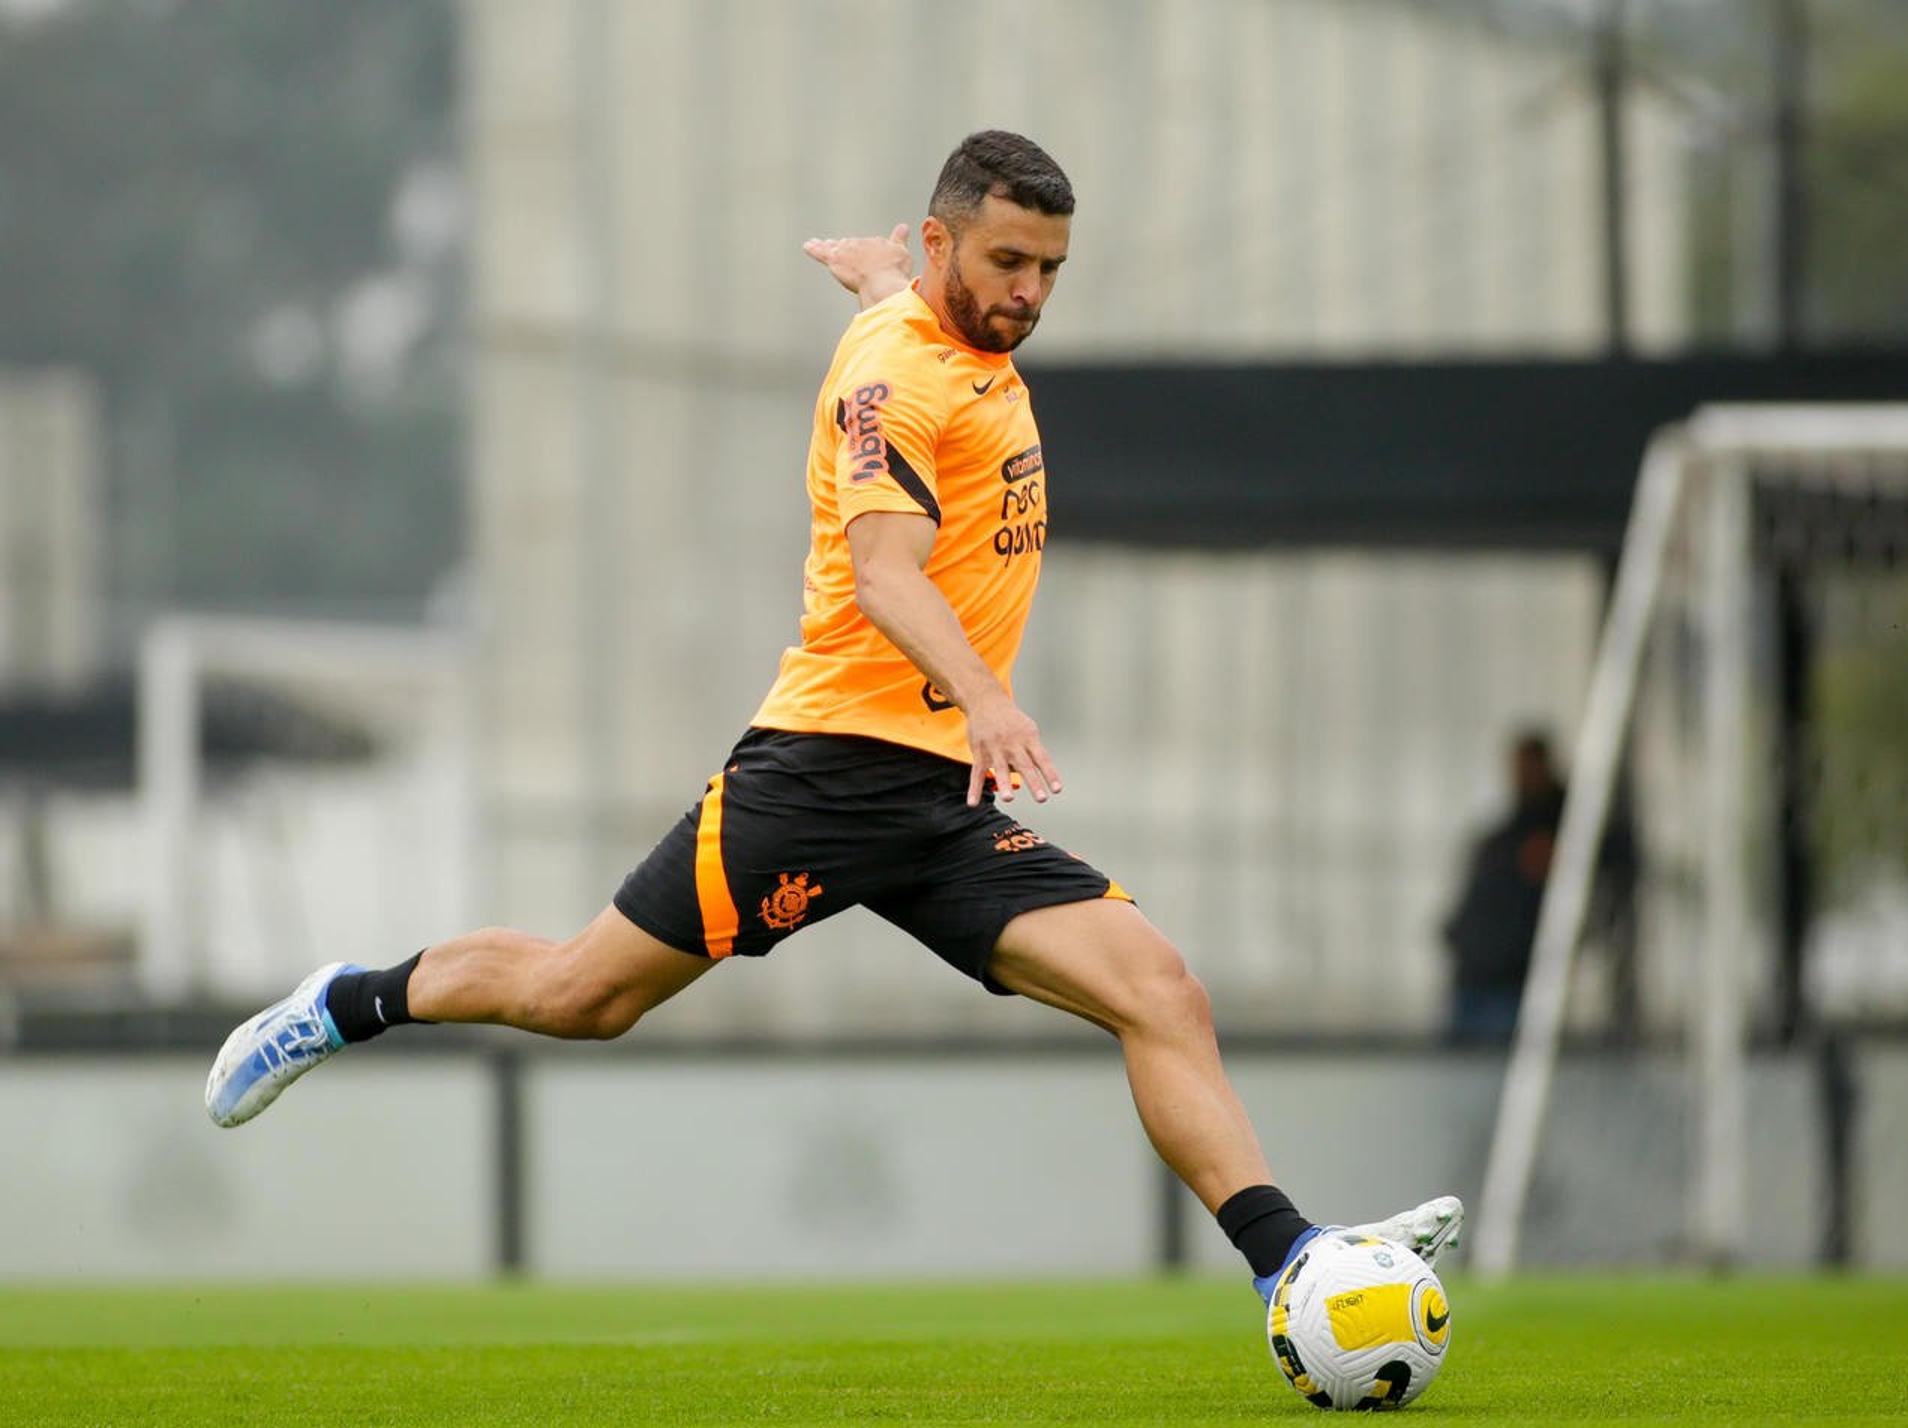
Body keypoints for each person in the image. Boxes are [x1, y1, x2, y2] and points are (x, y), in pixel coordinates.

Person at [207, 131, 1460, 1314]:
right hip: (819, 776)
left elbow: (896, 319)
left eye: (1049, 270)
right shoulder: (896, 371)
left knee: (1161, 992)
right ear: (942, 242)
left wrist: (874, 278)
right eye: (1007, 262)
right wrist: (986, 698)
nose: (1029, 293)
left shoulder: (926, 325)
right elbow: (885, 571)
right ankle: (347, 1002)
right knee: (578, 997)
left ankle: (1292, 1267)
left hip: (938, 803)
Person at [1442, 730, 1566, 1040]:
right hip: (1476, 967)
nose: (1521, 776)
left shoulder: (1557, 829)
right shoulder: (1507, 834)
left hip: (1510, 975)